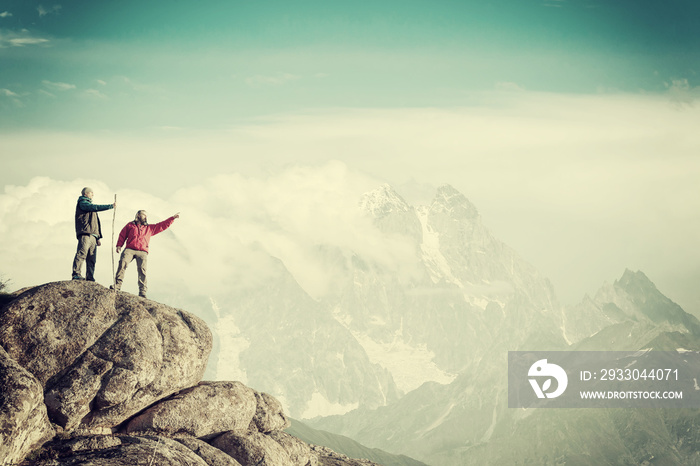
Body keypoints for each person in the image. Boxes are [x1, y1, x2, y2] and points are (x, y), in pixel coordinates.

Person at [112, 210, 179, 298]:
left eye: (146, 216)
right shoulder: (130, 225)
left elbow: (162, 225)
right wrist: (119, 245)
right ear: (138, 215)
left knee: (142, 271)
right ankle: (117, 285)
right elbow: (122, 234)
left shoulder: (150, 228)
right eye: (144, 215)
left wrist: (172, 218)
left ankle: (142, 292)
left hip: (142, 252)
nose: (145, 217)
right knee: (122, 264)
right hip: (130, 249)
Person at [72, 187, 116, 281]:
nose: (93, 194)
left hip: (93, 235)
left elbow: (96, 223)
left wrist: (98, 237)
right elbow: (94, 207)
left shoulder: (89, 206)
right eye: (91, 193)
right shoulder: (83, 203)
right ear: (86, 194)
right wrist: (110, 206)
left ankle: (90, 277)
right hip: (85, 233)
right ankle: (76, 273)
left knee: (91, 258)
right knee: (82, 253)